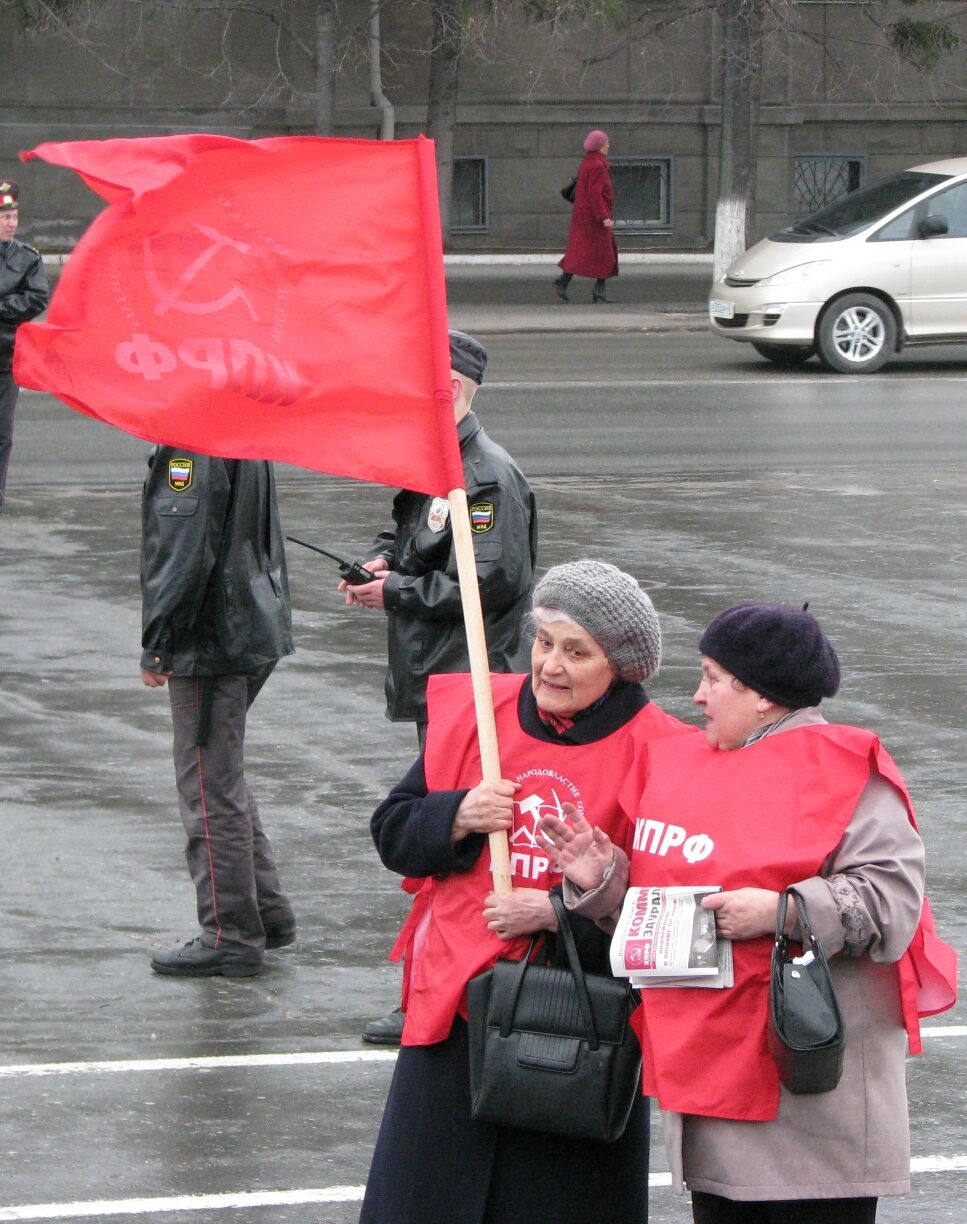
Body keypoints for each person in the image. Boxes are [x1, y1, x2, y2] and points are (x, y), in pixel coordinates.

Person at [542, 602, 957, 1224]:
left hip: (808, 1100)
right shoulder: (686, 764)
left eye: (711, 676)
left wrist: (781, 911)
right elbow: (668, 906)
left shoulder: (845, 769)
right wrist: (601, 881)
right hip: (712, 1077)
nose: (698, 695)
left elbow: (892, 902)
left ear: (760, 694)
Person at [358, 559, 690, 1224]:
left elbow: (676, 914)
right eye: (543, 643)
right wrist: (455, 814)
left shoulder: (665, 753)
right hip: (455, 1016)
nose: (550, 666)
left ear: (620, 665)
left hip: (577, 1028)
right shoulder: (477, 713)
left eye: (576, 651)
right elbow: (392, 832)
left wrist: (559, 911)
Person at [346, 329, 537, 1046]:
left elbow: (489, 580)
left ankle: (446, 989)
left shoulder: (483, 476)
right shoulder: (436, 467)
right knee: (439, 834)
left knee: (451, 840)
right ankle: (433, 984)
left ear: (451, 390)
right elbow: (409, 535)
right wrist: (378, 563)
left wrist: (394, 591)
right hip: (438, 679)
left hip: (471, 683)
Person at [141, 447, 297, 978]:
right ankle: (265, 912)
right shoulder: (236, 422)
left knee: (207, 788)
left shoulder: (189, 440)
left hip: (213, 635)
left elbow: (184, 545)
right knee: (220, 779)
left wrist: (161, 640)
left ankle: (229, 932)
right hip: (249, 618)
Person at [0, 179, 50, 512]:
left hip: (4, 358)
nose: (11, 223)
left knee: (1, 434)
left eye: (13, 216)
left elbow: (37, 297)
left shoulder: (27, 259)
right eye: (4, 217)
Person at [554, 130, 618, 304]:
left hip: (583, 215)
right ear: (599, 146)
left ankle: (564, 281)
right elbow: (595, 194)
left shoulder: (588, 162)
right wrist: (604, 216)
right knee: (605, 253)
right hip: (594, 218)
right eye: (606, 143)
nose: (608, 145)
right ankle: (599, 290)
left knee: (580, 250)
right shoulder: (598, 165)